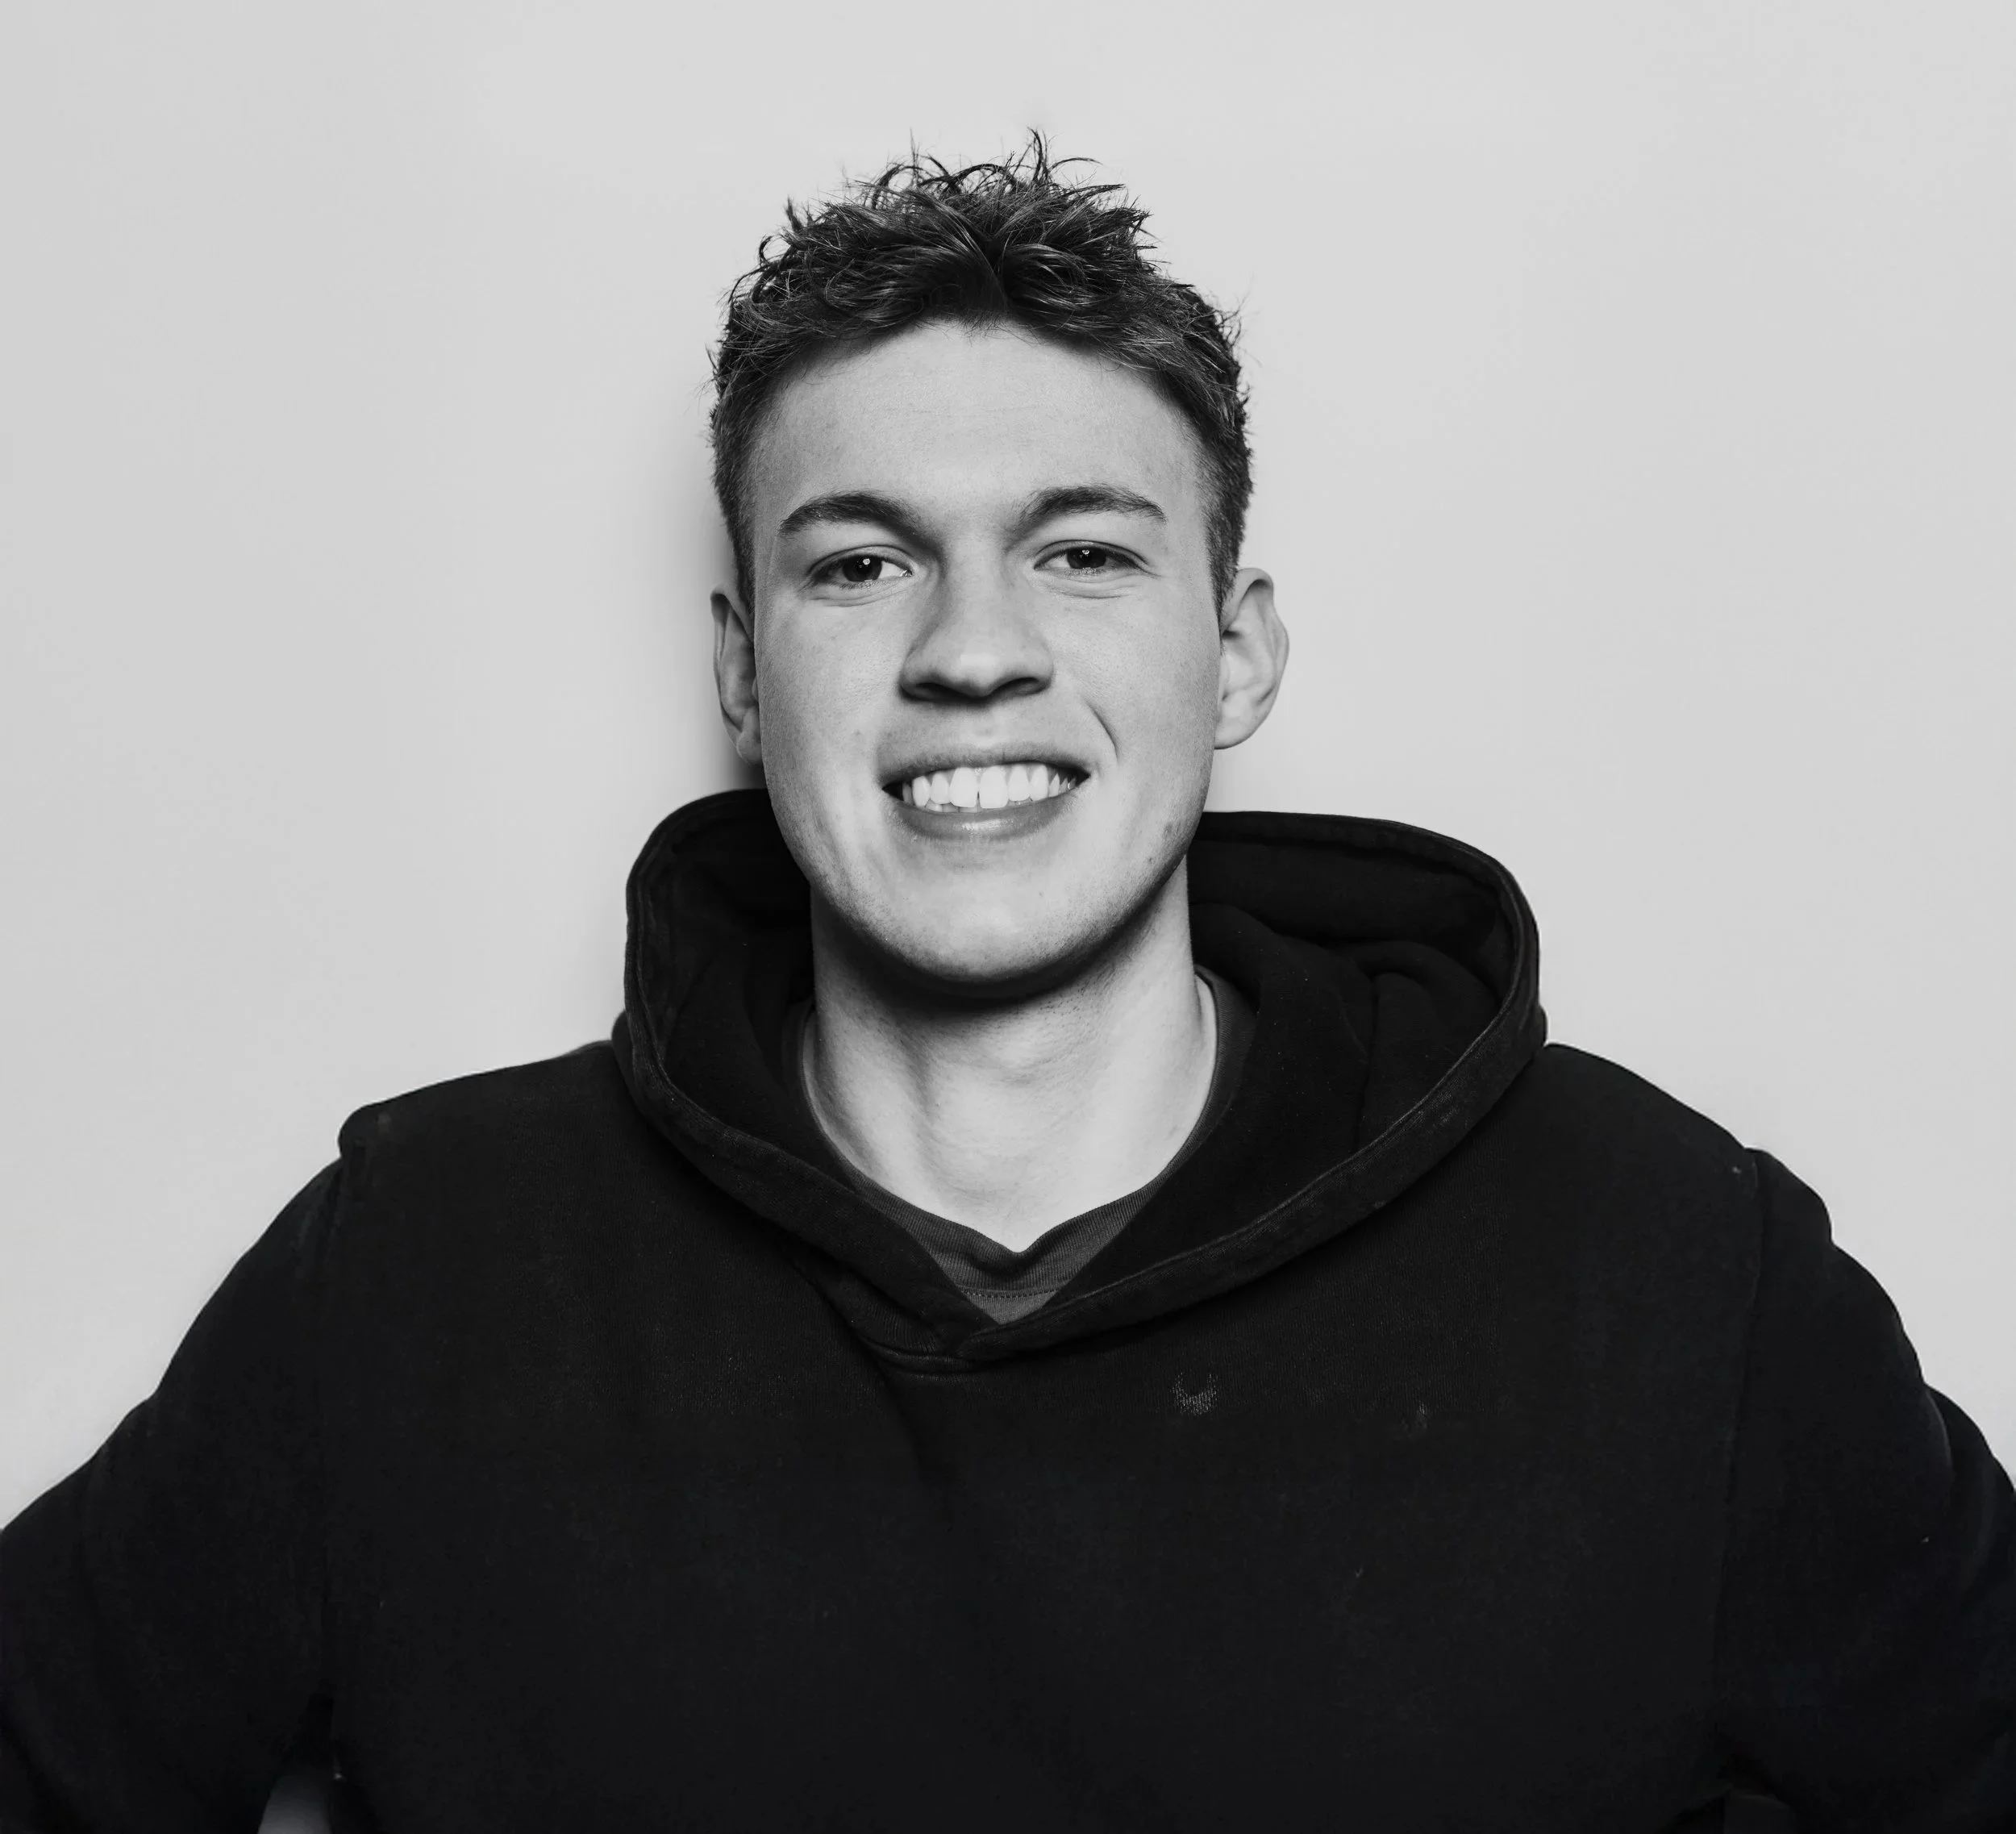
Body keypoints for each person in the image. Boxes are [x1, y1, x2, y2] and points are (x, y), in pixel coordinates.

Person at [2, 144, 2010, 1834]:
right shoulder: (415, 1275)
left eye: (1081, 556)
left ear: (1233, 656)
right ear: (738, 670)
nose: (973, 651)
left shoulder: (1673, 1270)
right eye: (861, 564)